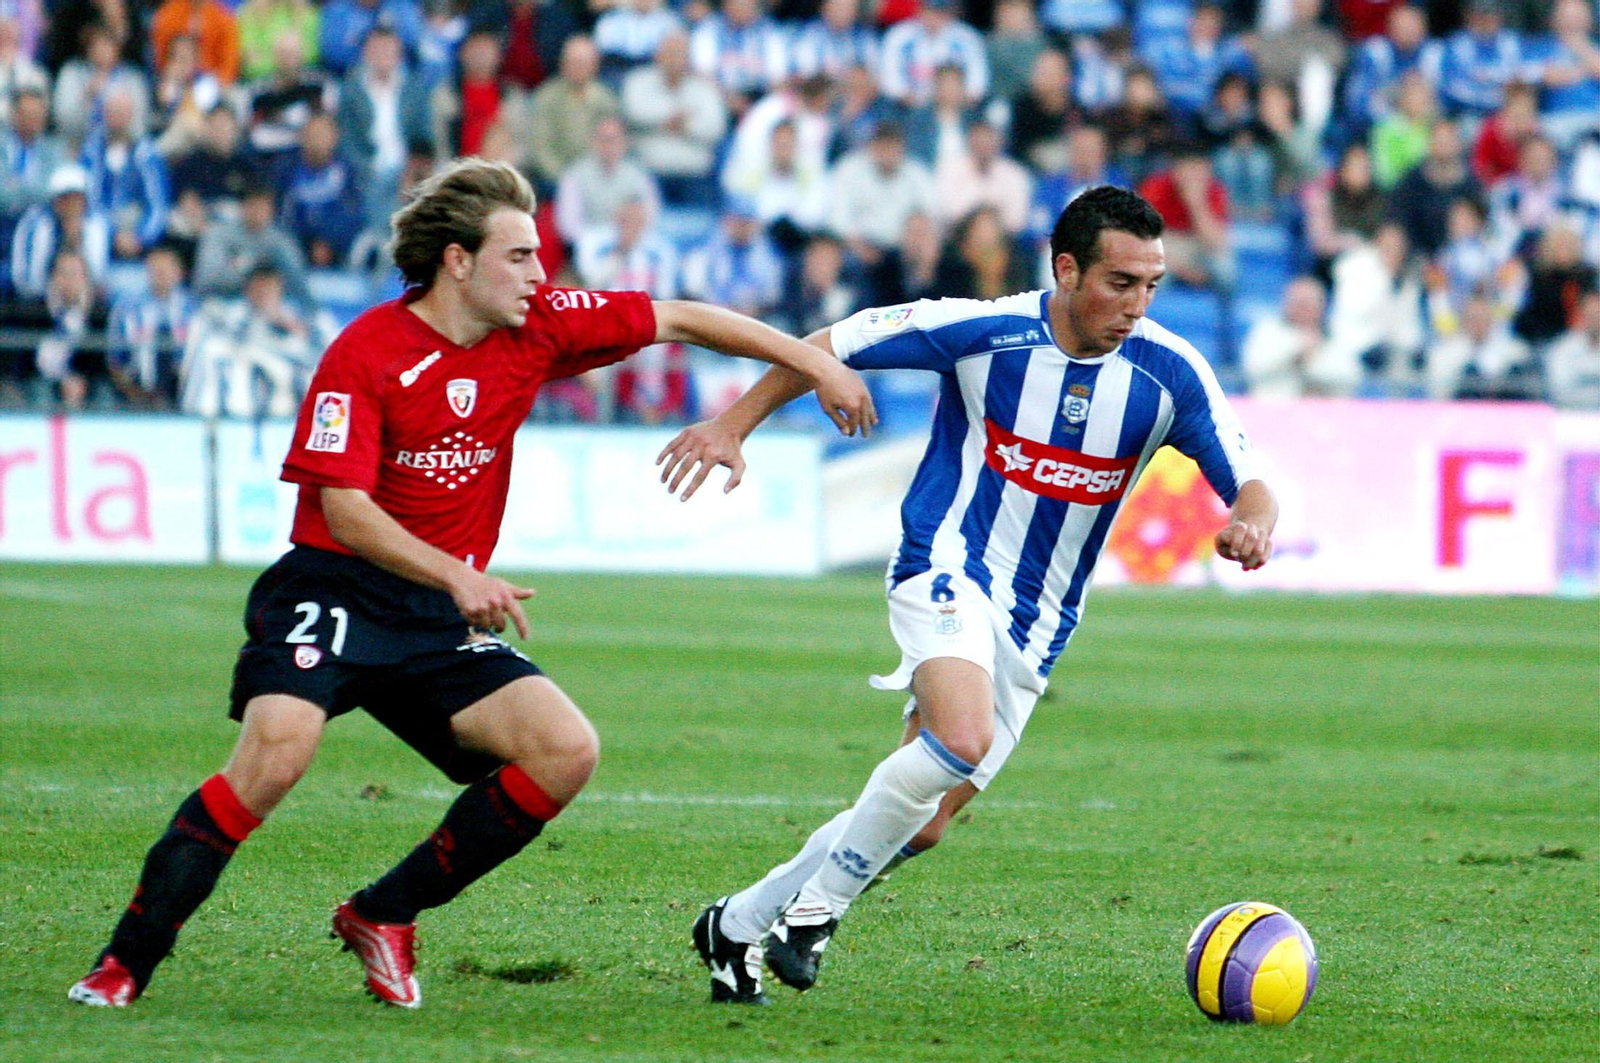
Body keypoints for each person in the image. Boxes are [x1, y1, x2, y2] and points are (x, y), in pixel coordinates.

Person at [66, 157, 876, 1011]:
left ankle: (384, 912)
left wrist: (810, 362)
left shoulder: (539, 326)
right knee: (277, 753)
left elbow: (679, 317)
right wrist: (458, 572)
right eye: (520, 256)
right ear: (458, 261)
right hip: (336, 589)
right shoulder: (366, 352)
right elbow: (344, 510)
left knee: (565, 750)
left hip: (435, 611)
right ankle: (124, 962)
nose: (541, 274)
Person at [656, 185, 1276, 1004]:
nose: (1138, 303)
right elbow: (830, 341)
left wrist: (1253, 522)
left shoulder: (1169, 370)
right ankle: (816, 912)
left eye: (1152, 284)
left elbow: (1252, 479)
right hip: (944, 558)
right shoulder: (985, 329)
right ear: (1066, 268)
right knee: (961, 733)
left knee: (928, 819)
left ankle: (737, 922)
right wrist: (734, 424)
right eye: (1121, 282)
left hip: (1040, 617)